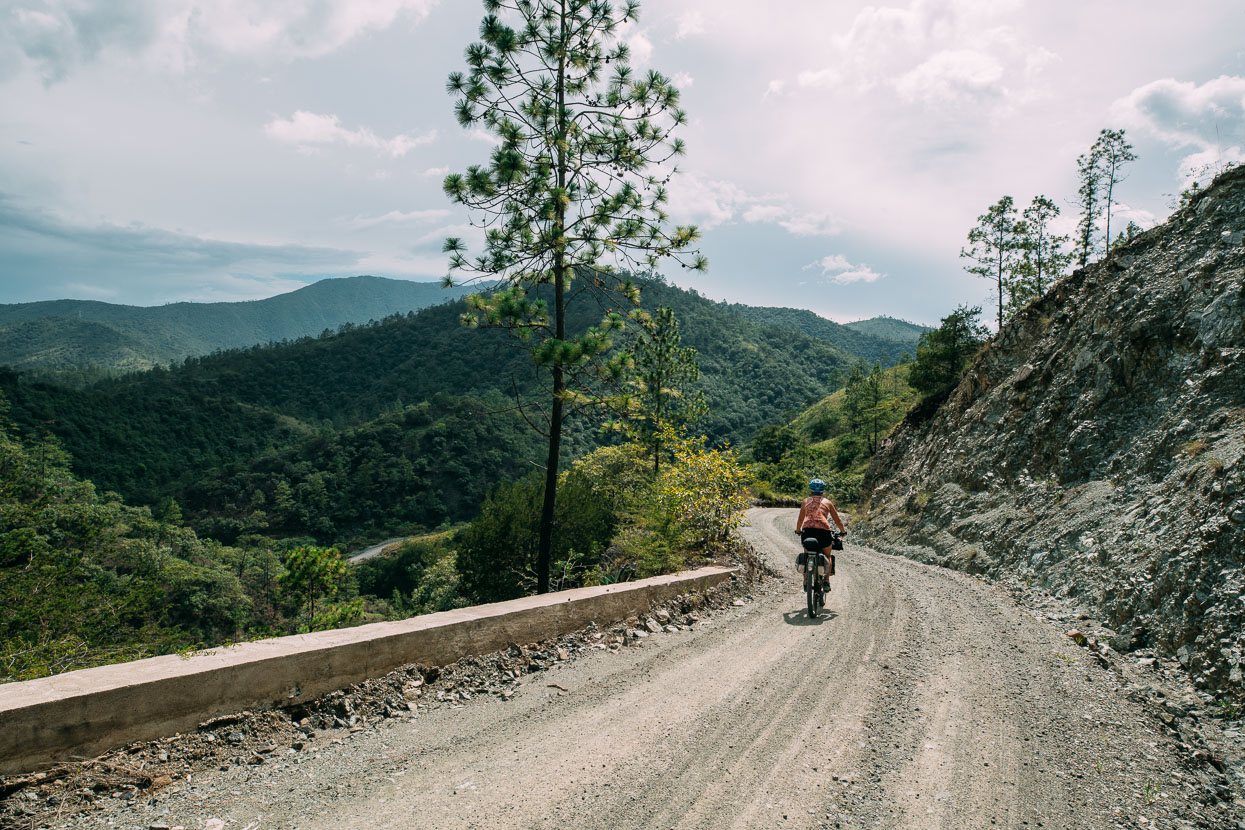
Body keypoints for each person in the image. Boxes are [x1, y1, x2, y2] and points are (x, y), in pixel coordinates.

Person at [795, 478, 846, 581]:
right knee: (827, 555)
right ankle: (826, 580)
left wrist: (798, 530)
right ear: (823, 490)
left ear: (810, 490)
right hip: (824, 531)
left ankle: (805, 580)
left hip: (808, 531)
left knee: (807, 554)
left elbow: (801, 519)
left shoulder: (805, 501)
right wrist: (842, 531)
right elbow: (837, 520)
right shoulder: (828, 502)